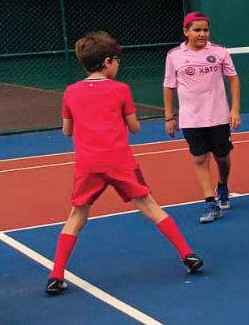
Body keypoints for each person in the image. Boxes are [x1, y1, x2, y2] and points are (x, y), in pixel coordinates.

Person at [47, 31, 202, 296]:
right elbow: (134, 127)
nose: (118, 65)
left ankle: (56, 275)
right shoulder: (121, 89)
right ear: (107, 62)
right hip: (120, 162)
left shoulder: (71, 92)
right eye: (116, 61)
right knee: (150, 207)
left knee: (76, 217)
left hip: (88, 165)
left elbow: (66, 130)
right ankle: (188, 255)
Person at [163, 12, 241, 223]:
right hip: (191, 119)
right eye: (197, 30)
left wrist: (234, 110)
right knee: (199, 159)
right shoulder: (174, 56)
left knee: (222, 157)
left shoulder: (220, 52)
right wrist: (169, 117)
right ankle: (210, 202)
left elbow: (233, 79)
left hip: (218, 117)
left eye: (205, 30)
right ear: (186, 31)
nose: (202, 34)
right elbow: (169, 86)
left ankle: (222, 184)